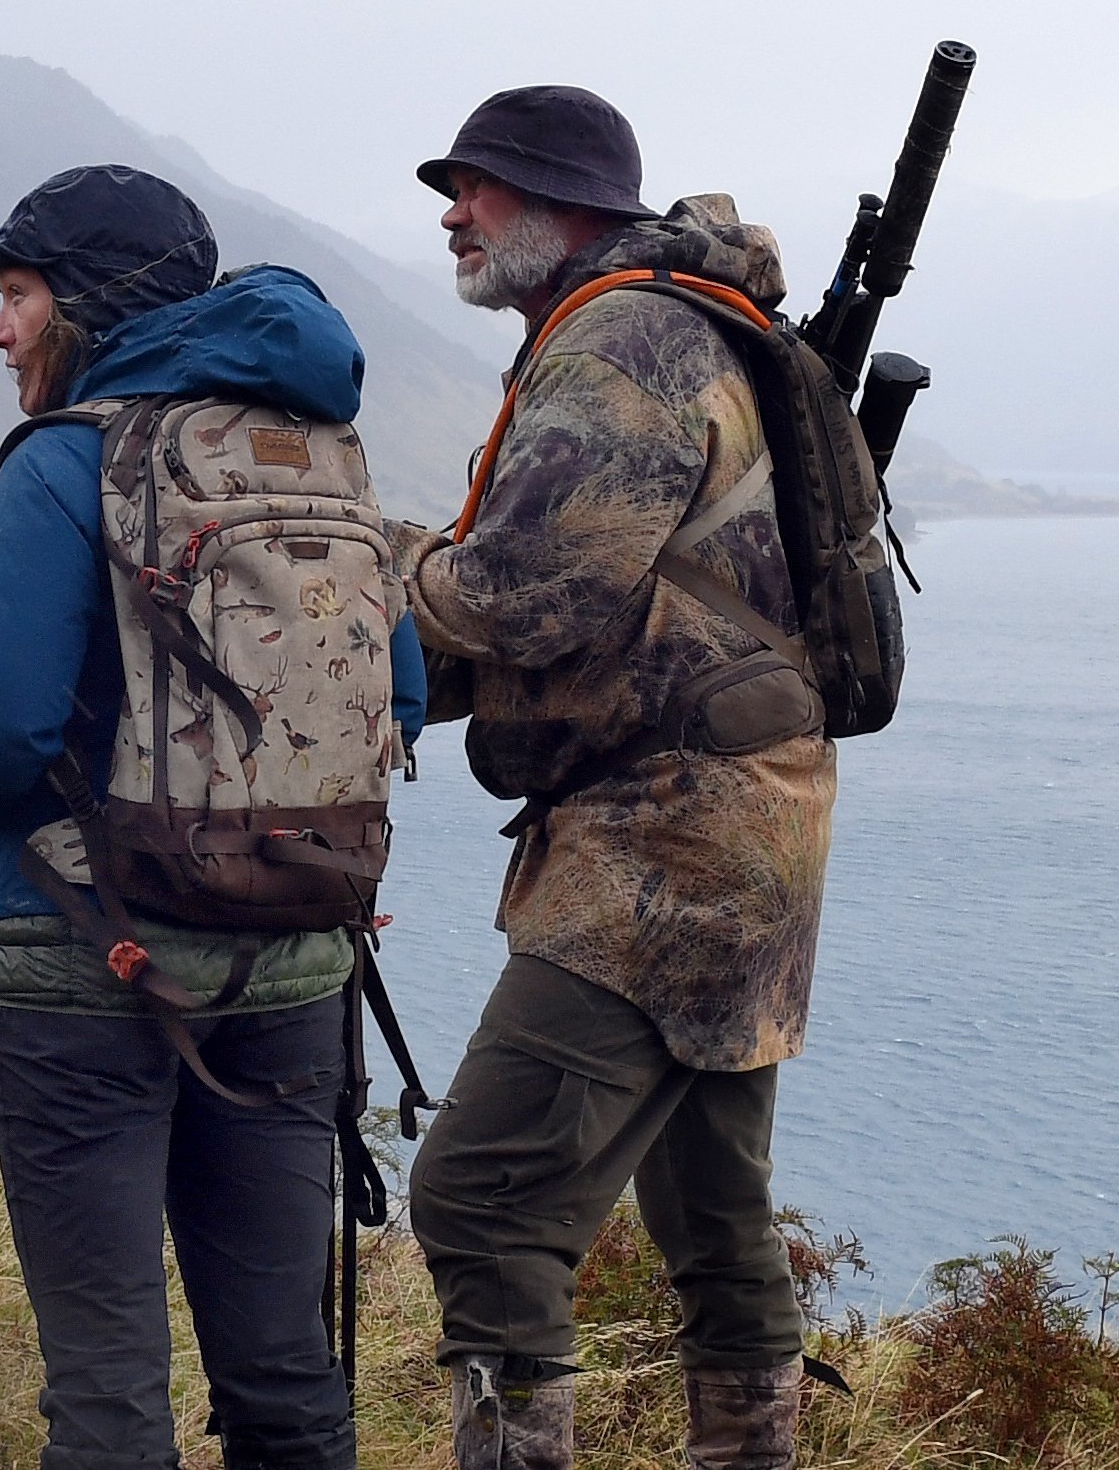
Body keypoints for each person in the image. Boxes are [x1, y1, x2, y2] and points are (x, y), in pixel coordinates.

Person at [0, 163, 424, 1470]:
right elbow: (399, 705)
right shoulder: (320, 460)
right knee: (283, 1373)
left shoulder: (67, 459)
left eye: (16, 295)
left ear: (83, 305)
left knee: (106, 1391)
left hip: (87, 964)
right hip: (298, 974)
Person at [389, 88, 834, 1470]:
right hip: (748, 824)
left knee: (478, 1203)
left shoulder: (620, 342)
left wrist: (370, 566)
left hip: (666, 840)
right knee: (712, 1211)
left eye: (476, 187)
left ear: (562, 202)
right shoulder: (677, 325)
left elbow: (527, 595)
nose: (451, 214)